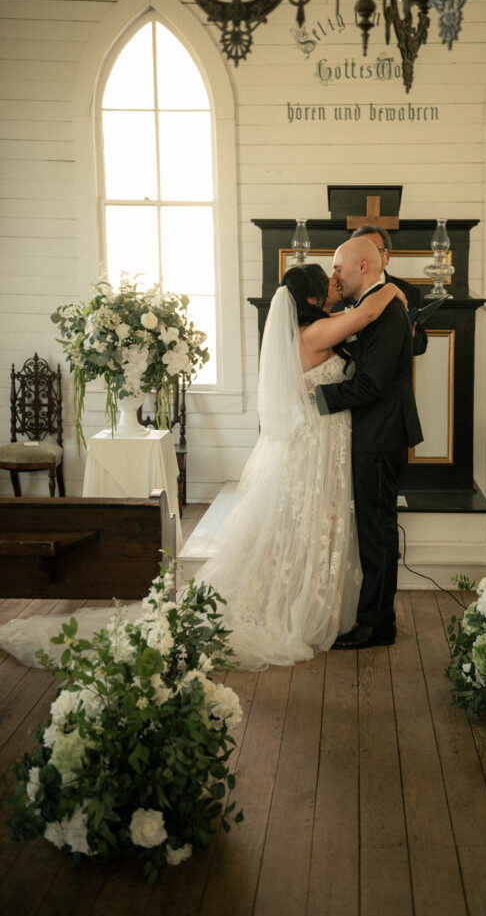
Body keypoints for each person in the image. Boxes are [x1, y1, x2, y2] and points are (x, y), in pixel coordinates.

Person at [0, 264, 408, 672]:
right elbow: (367, 315)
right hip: (314, 443)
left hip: (321, 442)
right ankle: (292, 604)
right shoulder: (315, 333)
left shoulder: (314, 327)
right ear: (313, 299)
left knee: (310, 523)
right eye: (329, 281)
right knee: (304, 522)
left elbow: (355, 321)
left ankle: (307, 596)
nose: (336, 281)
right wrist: (390, 290)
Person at [314, 237, 423, 649]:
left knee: (377, 531)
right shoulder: (369, 308)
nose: (334, 276)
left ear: (363, 266)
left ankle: (377, 625)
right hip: (372, 433)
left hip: (380, 435)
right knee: (371, 529)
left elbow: (372, 384)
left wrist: (317, 398)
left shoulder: (388, 312)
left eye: (338, 267)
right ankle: (374, 617)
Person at [349, 224, 428, 355]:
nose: (367, 258)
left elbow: (420, 347)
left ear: (387, 256)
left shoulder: (410, 292)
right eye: (361, 251)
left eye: (375, 251)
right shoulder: (342, 291)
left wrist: (409, 333)